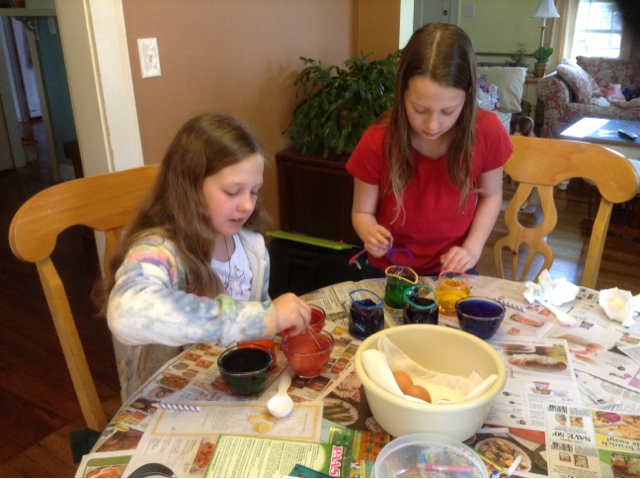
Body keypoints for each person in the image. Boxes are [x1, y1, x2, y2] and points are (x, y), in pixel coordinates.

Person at [102, 112, 311, 399]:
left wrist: (275, 324)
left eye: (254, 191)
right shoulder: (159, 251)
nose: (247, 205)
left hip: (232, 393)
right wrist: (262, 316)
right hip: (167, 402)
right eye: (232, 191)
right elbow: (124, 313)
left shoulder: (253, 250)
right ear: (190, 187)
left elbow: (258, 335)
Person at [346, 23, 513, 277]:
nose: (432, 125)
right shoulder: (378, 139)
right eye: (420, 109)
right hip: (389, 272)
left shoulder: (487, 131)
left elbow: (491, 196)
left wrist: (472, 249)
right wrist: (370, 233)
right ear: (402, 92)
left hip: (454, 269)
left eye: (448, 111)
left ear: (468, 95)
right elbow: (362, 211)